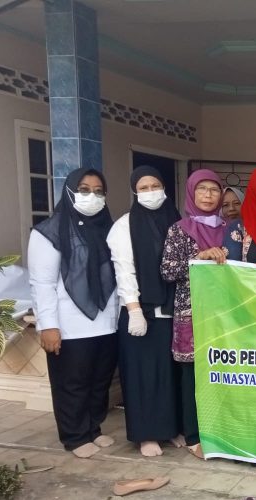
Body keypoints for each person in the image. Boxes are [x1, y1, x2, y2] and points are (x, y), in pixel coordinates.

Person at [28, 167, 119, 458]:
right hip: (69, 324)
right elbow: (42, 283)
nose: (92, 196)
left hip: (106, 322)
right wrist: (48, 325)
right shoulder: (48, 232)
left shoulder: (108, 228)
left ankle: (93, 428)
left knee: (99, 381)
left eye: (98, 191)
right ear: (69, 192)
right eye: (84, 190)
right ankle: (75, 436)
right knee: (72, 383)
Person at [107, 166, 181, 457]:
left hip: (173, 310)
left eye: (155, 186)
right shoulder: (124, 225)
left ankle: (170, 429)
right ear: (135, 192)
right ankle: (146, 434)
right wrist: (134, 309)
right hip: (142, 312)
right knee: (144, 376)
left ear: (164, 188)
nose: (150, 192)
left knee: (169, 375)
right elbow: (124, 270)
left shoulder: (176, 221)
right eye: (143, 188)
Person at [160, 169, 227, 459]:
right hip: (192, 311)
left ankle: (221, 430)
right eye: (202, 189)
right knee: (192, 375)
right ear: (191, 193)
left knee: (223, 371)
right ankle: (193, 436)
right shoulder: (179, 229)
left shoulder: (231, 229)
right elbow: (167, 270)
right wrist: (198, 257)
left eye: (214, 189)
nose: (208, 195)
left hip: (226, 311)